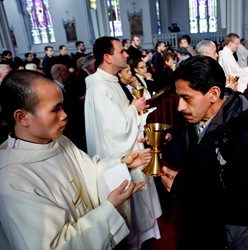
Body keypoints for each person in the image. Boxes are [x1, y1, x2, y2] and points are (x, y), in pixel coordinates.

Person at [0, 69, 152, 249]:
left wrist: (122, 164)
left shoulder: (59, 141)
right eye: (55, 109)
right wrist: (109, 209)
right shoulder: (12, 183)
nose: (64, 115)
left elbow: (90, 171)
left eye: (62, 105)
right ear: (22, 117)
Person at [160, 56, 248, 250]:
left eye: (186, 98)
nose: (179, 107)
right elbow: (193, 156)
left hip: (230, 235)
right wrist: (166, 141)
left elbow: (247, 207)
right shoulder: (196, 115)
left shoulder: (247, 141)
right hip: (204, 226)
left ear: (213, 94)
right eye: (178, 97)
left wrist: (182, 187)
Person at [84, 36, 161, 250]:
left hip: (130, 148)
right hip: (119, 158)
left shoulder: (110, 81)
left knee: (139, 211)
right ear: (108, 57)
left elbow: (120, 120)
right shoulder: (99, 87)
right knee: (131, 214)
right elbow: (114, 129)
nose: (126, 54)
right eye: (121, 52)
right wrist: (133, 109)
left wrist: (137, 116)